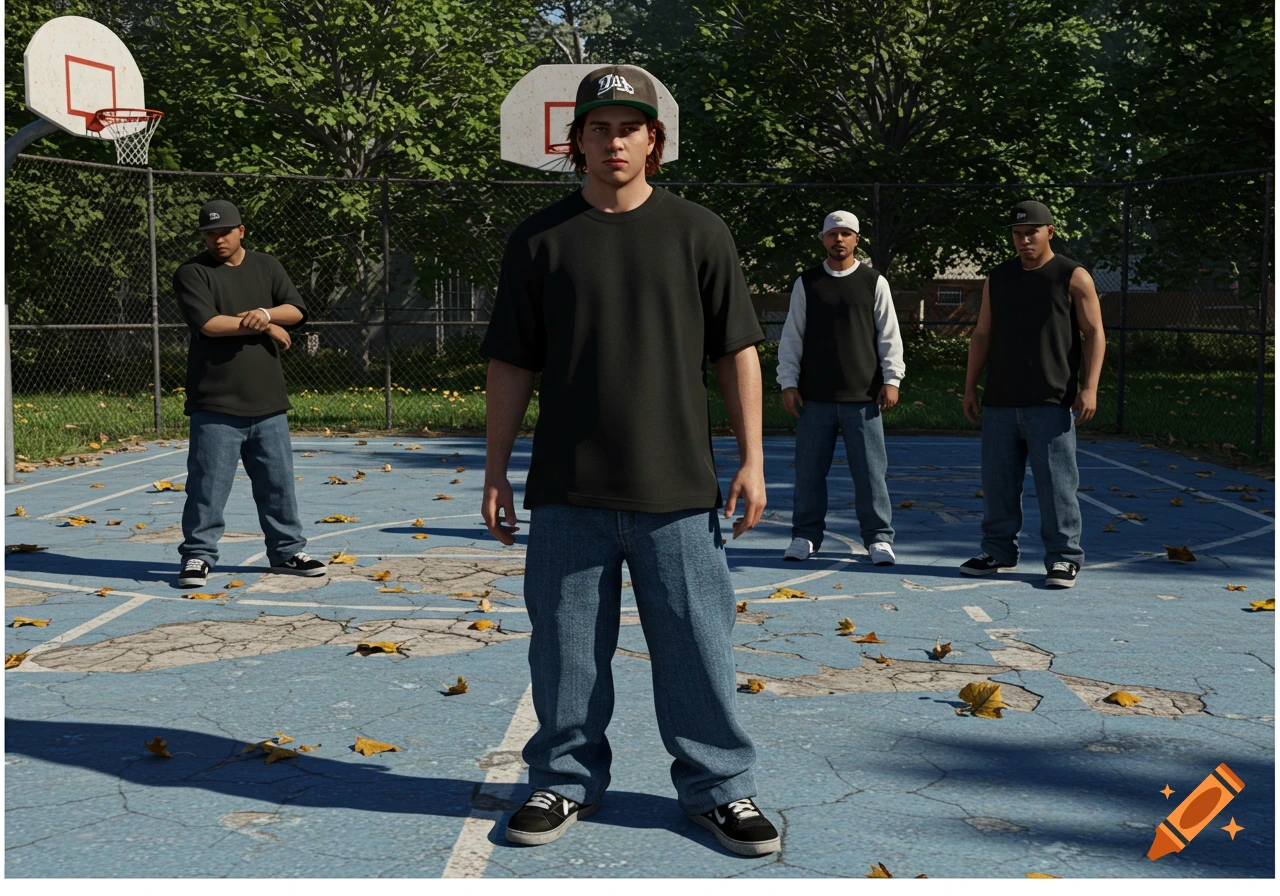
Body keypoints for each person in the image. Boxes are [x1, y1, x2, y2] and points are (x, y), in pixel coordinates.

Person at [480, 65, 780, 857]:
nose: (614, 140)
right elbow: (511, 363)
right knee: (566, 654)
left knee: (697, 649)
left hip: (677, 489)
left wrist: (752, 459)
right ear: (573, 140)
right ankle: (565, 779)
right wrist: (493, 471)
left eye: (629, 127)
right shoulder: (540, 239)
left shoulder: (699, 231)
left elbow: (738, 351)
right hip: (569, 491)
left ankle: (721, 789)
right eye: (598, 127)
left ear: (655, 140)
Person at [172, 200, 326, 588]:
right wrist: (263, 326)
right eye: (209, 233)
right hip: (215, 402)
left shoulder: (267, 265)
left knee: (278, 484)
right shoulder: (191, 272)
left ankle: (287, 552)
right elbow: (209, 324)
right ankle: (198, 556)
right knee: (207, 485)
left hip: (269, 402)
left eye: (223, 231)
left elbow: (295, 310)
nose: (216, 239)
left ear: (241, 230)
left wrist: (268, 315)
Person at [960, 200, 1106, 588]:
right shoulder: (999, 277)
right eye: (1017, 234)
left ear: (1049, 232)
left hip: (1051, 400)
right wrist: (970, 386)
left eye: (1031, 233)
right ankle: (998, 550)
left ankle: (1063, 558)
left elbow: (1094, 334)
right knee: (998, 482)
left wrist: (1089, 388)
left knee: (1056, 484)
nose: (1024, 240)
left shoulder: (1073, 276)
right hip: (1001, 400)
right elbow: (983, 334)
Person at [776, 211, 904, 565]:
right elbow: (792, 337)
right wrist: (788, 381)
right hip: (814, 398)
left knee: (870, 474)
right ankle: (804, 535)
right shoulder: (807, 283)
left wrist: (892, 379)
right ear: (823, 239)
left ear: (856, 240)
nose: (839, 240)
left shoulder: (874, 282)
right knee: (808, 473)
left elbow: (889, 335)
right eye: (833, 234)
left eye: (846, 234)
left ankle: (878, 539)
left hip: (863, 399)